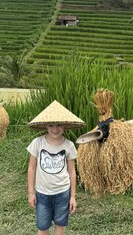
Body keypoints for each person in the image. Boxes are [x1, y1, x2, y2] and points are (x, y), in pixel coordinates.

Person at [26, 100, 85, 235]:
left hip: (62, 193)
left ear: (64, 126)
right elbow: (32, 168)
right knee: (42, 226)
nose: (55, 129)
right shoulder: (37, 143)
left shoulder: (68, 145)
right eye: (51, 125)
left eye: (59, 125)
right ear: (45, 126)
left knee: (60, 224)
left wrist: (73, 196)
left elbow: (71, 171)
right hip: (42, 194)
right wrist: (31, 193)